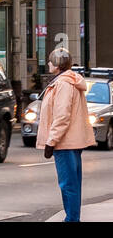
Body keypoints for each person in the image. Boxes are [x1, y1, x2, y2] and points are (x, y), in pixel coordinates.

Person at [36, 46, 96, 222]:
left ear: (57, 65)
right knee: (73, 183)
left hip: (64, 142)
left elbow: (62, 116)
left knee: (68, 184)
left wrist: (51, 141)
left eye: (50, 61)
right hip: (71, 141)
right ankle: (72, 218)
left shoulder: (63, 84)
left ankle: (71, 219)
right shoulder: (69, 81)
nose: (48, 64)